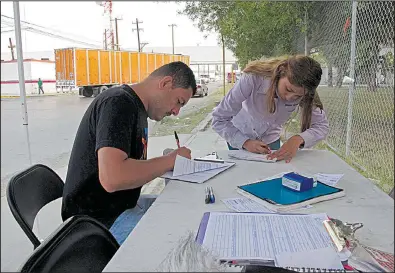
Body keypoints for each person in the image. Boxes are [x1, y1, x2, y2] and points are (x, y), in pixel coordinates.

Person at [61, 61, 197, 244]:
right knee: (182, 241)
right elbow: (113, 178)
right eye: (178, 102)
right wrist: (169, 161)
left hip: (121, 206)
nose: (176, 112)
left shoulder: (138, 109)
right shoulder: (119, 103)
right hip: (97, 224)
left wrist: (169, 160)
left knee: (188, 212)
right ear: (165, 83)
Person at [212, 55, 329, 163]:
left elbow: (321, 126)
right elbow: (219, 119)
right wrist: (245, 142)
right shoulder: (253, 79)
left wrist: (298, 139)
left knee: (270, 175)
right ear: (281, 72)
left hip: (270, 138)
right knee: (241, 174)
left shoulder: (305, 92)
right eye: (288, 89)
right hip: (238, 134)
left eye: (298, 96)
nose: (290, 98)